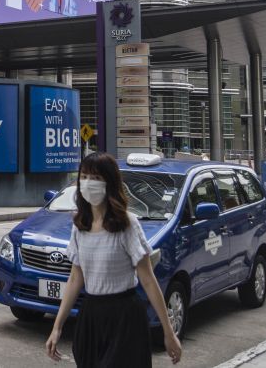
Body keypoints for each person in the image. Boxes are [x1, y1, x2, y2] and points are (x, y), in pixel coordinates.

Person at [46, 152, 182, 367]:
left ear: (110, 183)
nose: (89, 184)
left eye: (97, 178)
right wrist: (57, 327)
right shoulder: (80, 224)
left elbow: (147, 279)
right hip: (90, 317)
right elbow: (75, 279)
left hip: (124, 318)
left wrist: (168, 331)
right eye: (85, 177)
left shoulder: (127, 224)